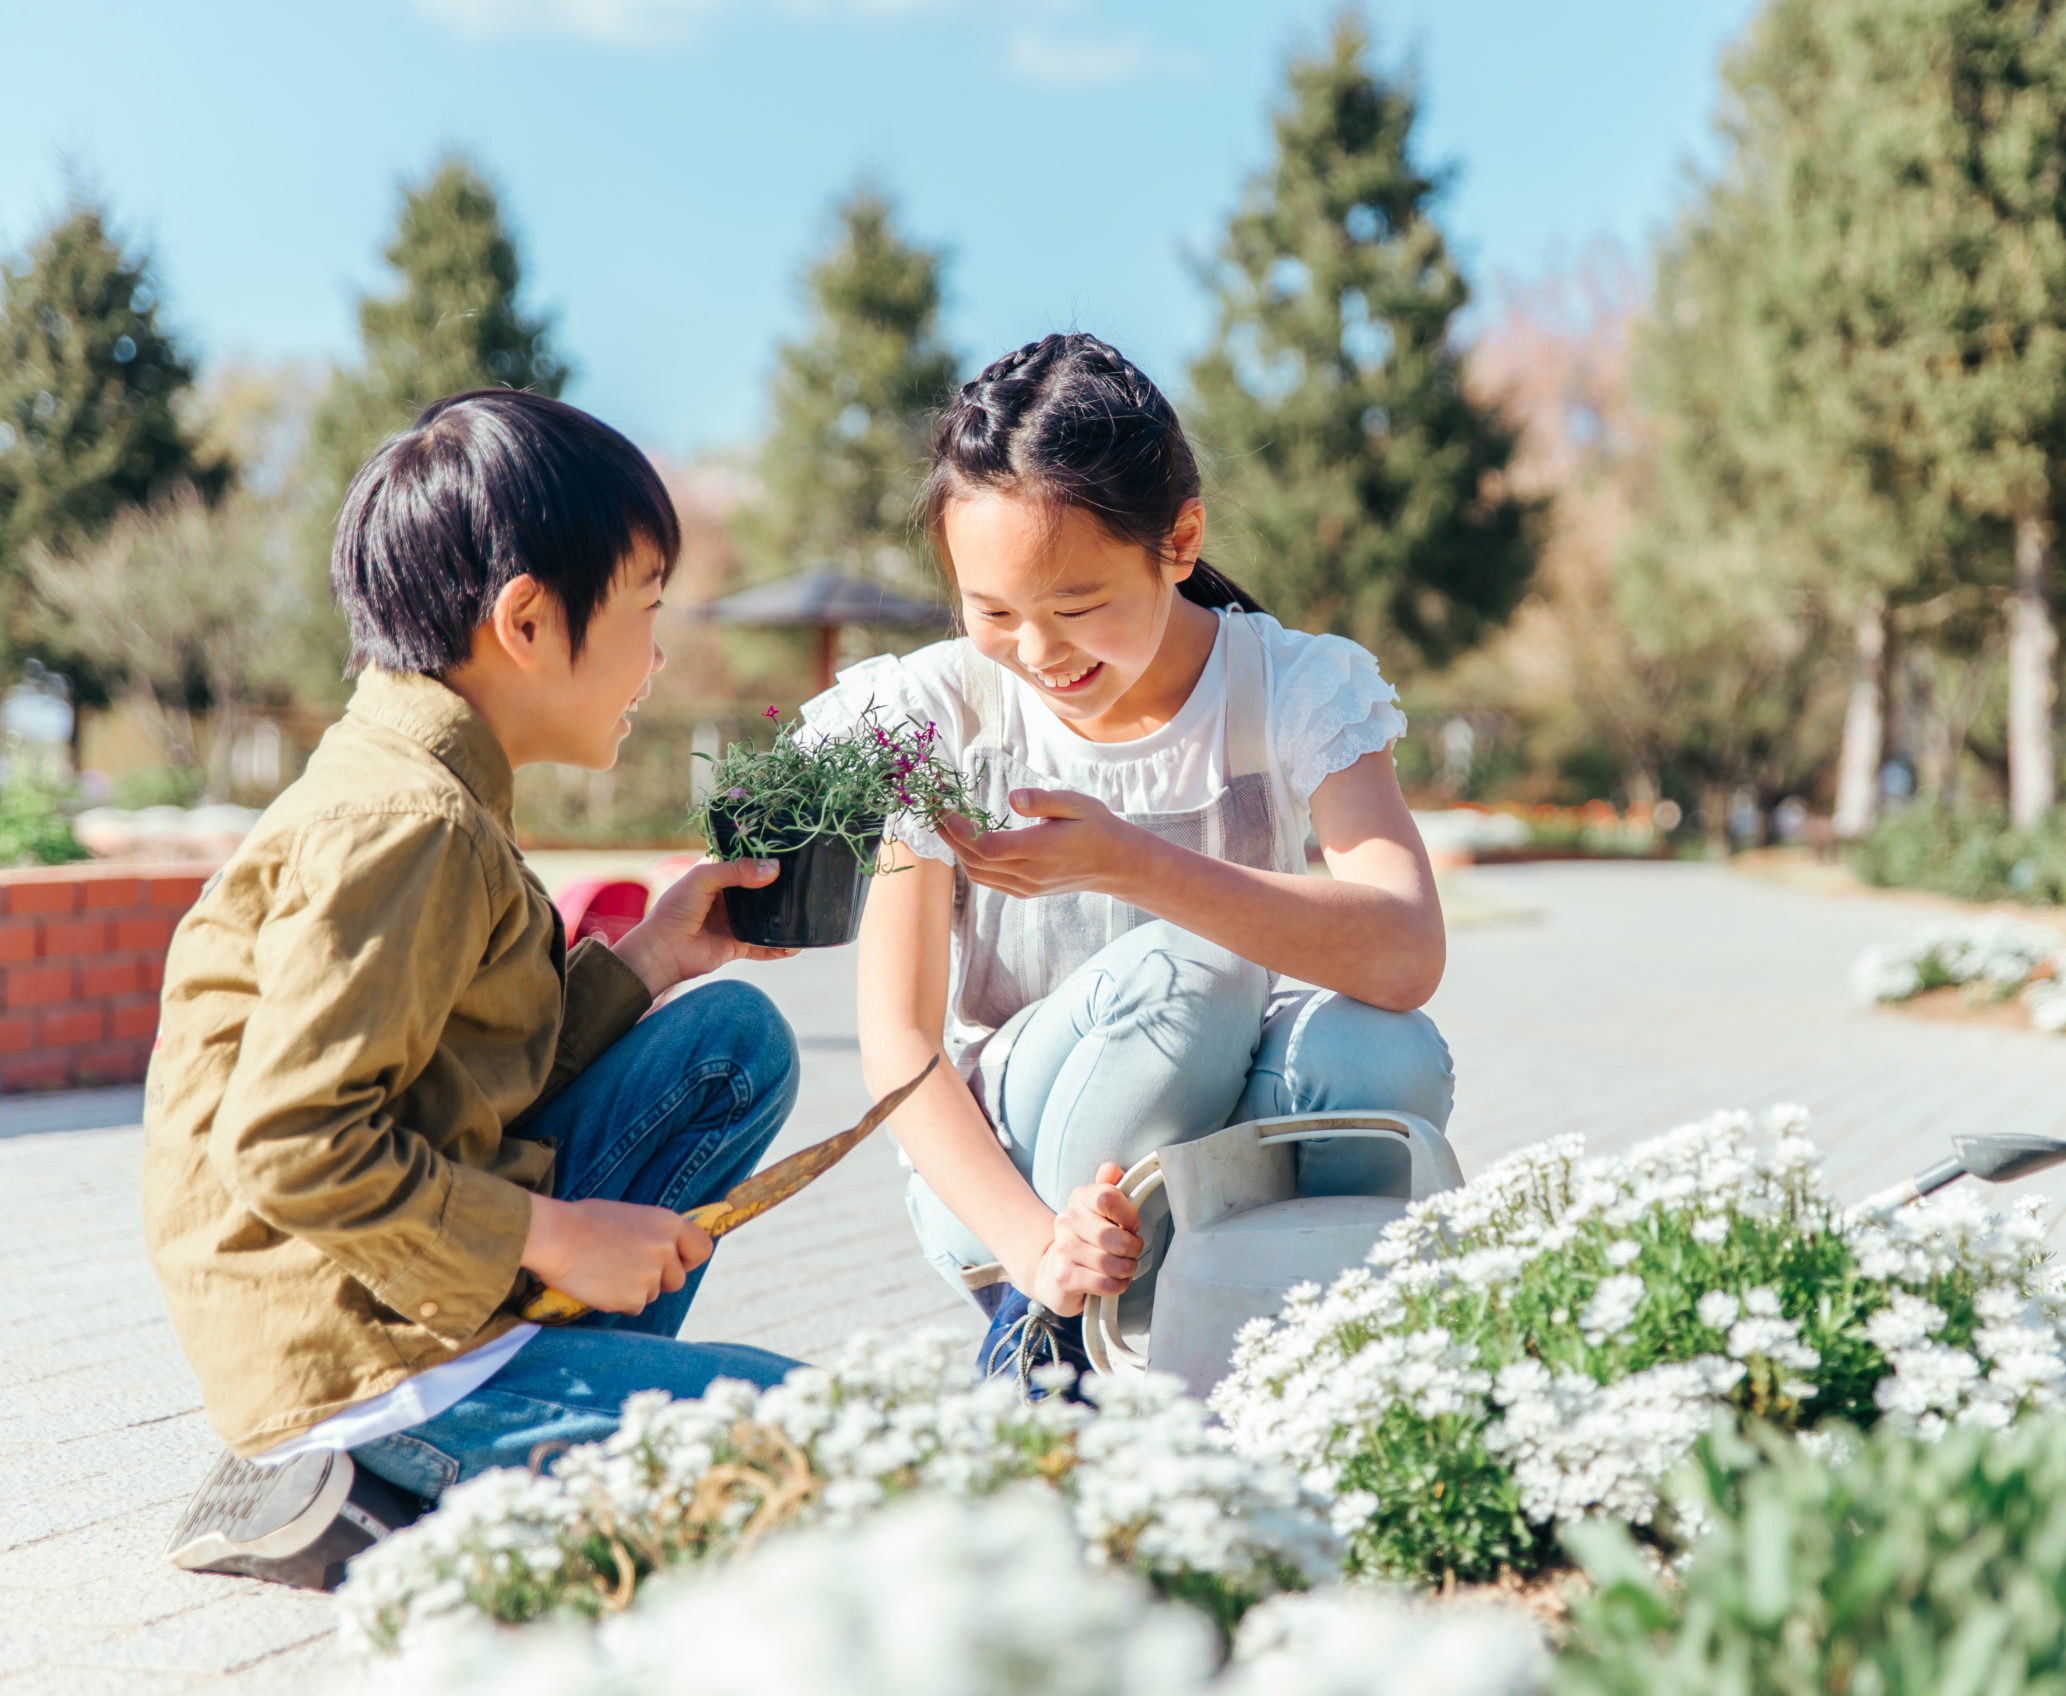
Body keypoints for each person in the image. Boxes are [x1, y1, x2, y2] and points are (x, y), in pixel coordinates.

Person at [147, 391, 806, 1590]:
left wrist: (651, 956)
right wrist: (559, 1236)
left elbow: (457, 1076)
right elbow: (292, 1144)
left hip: (415, 1296)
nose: (657, 661)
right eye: (646, 611)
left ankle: (533, 1437)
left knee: (728, 1047)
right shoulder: (409, 823)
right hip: (366, 1357)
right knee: (825, 1439)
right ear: (528, 619)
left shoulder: (419, 781)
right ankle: (408, 1480)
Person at [808, 333, 1455, 1379]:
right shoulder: (936, 716)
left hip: (1197, 1166)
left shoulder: (1289, 687)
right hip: (1006, 1181)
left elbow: (1405, 951)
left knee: (1384, 1056)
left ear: (1180, 538)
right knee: (1189, 975)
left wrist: (1132, 864)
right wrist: (1034, 1251)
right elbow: (896, 1042)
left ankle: (1288, 1354)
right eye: (994, 613)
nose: (1038, 653)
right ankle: (1040, 1355)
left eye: (1077, 608)